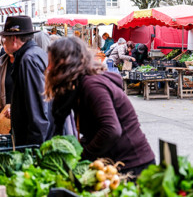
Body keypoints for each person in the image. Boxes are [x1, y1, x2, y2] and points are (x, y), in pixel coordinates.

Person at [44, 36, 155, 177]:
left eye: (51, 62)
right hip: (113, 164)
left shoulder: (92, 85)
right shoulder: (77, 85)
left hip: (133, 166)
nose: (48, 68)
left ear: (64, 63)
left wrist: (81, 157)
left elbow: (111, 130)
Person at [0, 15, 54, 146]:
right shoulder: (36, 53)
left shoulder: (28, 59)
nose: (3, 42)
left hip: (35, 142)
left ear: (14, 39)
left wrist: (33, 150)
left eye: (4, 39)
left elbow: (38, 109)